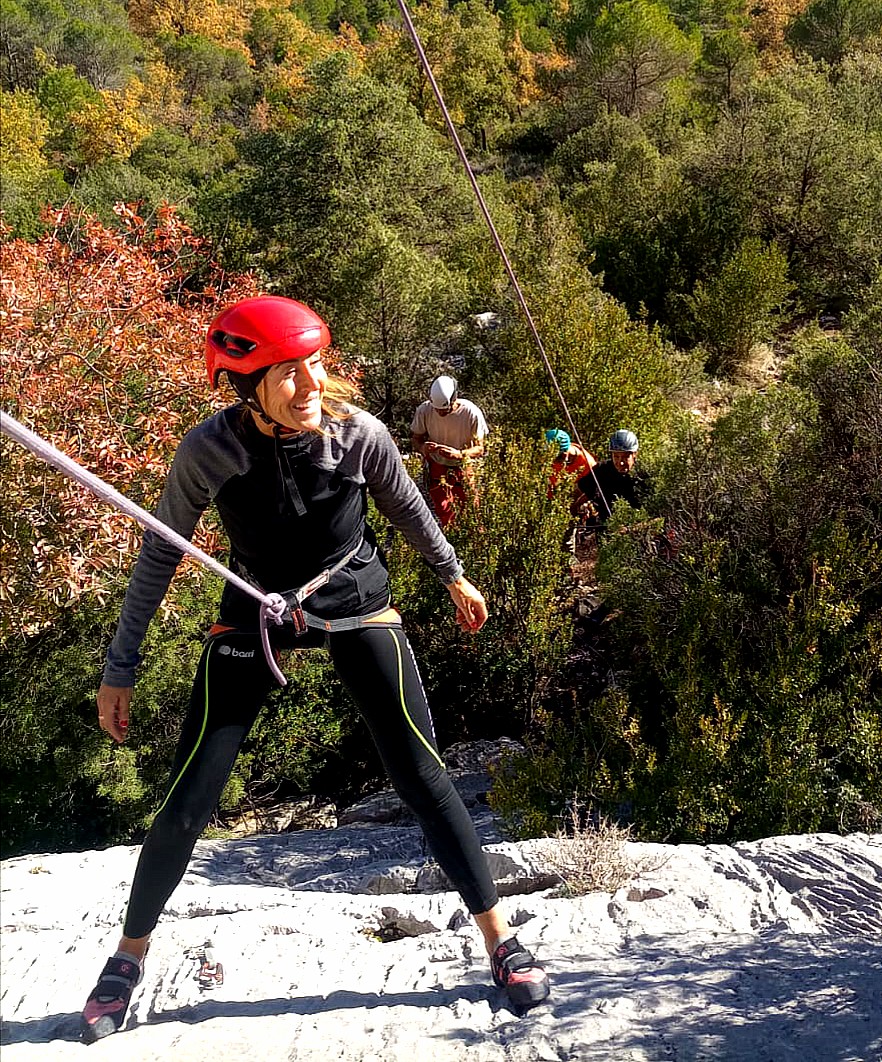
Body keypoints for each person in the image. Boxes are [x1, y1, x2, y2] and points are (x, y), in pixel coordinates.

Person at [80, 297, 549, 1043]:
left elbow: (404, 507)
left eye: (314, 366)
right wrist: (121, 666)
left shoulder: (356, 436)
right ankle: (126, 959)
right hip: (257, 609)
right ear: (246, 385)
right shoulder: (210, 450)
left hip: (354, 599)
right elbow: (161, 553)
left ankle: (500, 941)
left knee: (423, 776)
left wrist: (453, 575)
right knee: (189, 794)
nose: (309, 384)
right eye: (288, 373)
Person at [410, 375, 488, 528]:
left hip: (463, 467)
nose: (440, 413)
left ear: (454, 399)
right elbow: (416, 438)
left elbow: (480, 448)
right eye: (437, 410)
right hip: (437, 466)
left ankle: (475, 543)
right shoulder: (425, 410)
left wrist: (459, 454)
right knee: (444, 510)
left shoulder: (471, 413)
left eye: (444, 410)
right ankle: (452, 540)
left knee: (472, 510)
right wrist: (422, 448)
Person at [570, 429, 642, 528]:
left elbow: (658, 516)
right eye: (616, 456)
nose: (620, 462)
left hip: (638, 531)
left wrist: (632, 529)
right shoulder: (602, 470)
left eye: (625, 457)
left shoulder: (643, 475)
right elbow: (581, 491)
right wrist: (573, 509)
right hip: (606, 529)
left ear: (635, 454)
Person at [545, 428, 596, 495]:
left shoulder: (588, 465)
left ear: (564, 456)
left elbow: (588, 492)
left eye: (552, 457)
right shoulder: (545, 458)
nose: (548, 460)